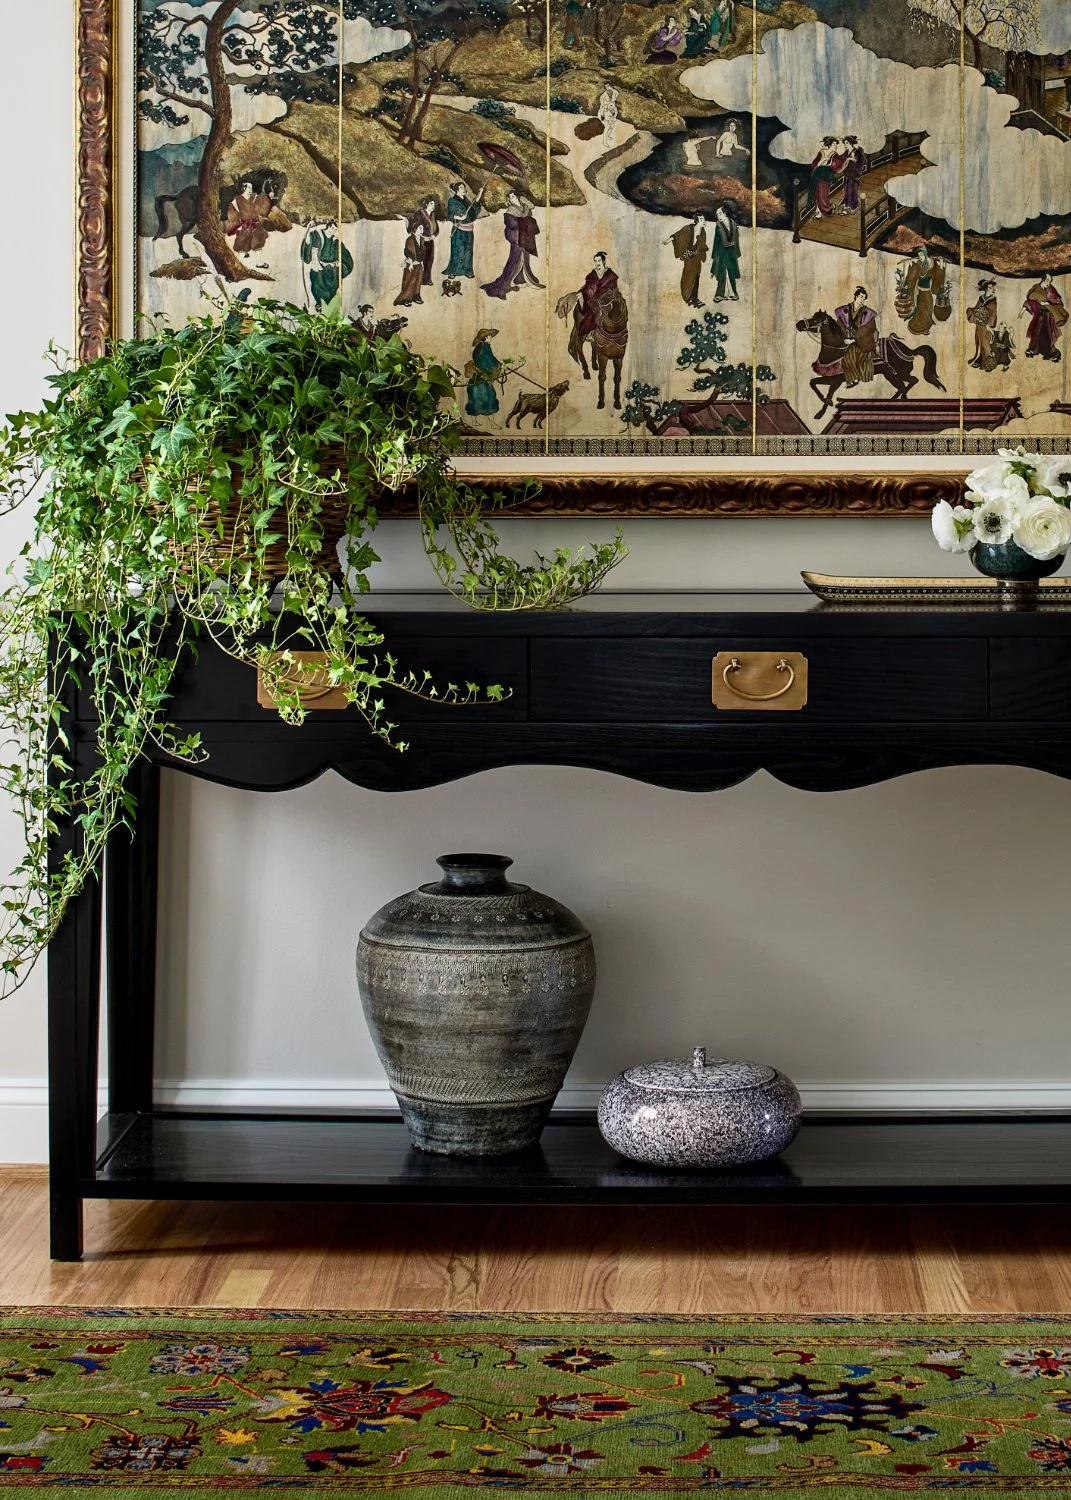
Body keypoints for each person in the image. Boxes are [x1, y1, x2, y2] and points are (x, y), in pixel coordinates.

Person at [481, 191, 543, 299]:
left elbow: (531, 209)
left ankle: (521, 278)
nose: (512, 199)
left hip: (525, 238)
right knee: (514, 260)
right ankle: (502, 286)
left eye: (513, 196)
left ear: (518, 197)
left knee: (525, 257)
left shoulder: (525, 207)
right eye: (510, 197)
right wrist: (525, 221)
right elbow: (512, 224)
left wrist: (524, 220)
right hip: (516, 238)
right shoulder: (511, 210)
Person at [300, 221, 353, 309]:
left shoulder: (336, 241)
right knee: (318, 286)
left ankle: (330, 306)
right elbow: (308, 244)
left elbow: (343, 253)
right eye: (332, 228)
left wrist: (341, 262)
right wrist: (308, 234)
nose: (333, 230)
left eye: (335, 229)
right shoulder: (317, 236)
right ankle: (320, 305)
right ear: (328, 227)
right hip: (319, 268)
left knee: (333, 288)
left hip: (333, 270)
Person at [896, 244, 946, 334]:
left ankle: (926, 327)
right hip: (919, 292)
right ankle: (920, 325)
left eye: (922, 254)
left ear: (925, 254)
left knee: (927, 309)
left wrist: (941, 264)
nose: (920, 257)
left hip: (926, 293)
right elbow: (914, 270)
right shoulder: (919, 263)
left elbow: (938, 275)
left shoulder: (932, 264)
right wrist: (910, 263)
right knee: (919, 309)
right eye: (919, 255)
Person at [835, 286, 878, 386]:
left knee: (850, 358)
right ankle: (853, 378)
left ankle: (854, 379)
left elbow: (870, 328)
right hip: (847, 340)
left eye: (864, 298)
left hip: (861, 342)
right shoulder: (844, 310)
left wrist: (855, 339)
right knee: (843, 358)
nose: (862, 299)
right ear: (856, 296)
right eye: (861, 296)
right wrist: (844, 338)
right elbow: (839, 325)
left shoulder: (868, 313)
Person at [443, 181, 484, 280]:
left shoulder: (466, 200)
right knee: (457, 250)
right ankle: (453, 271)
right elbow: (450, 215)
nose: (464, 189)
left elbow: (475, 207)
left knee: (468, 251)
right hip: (458, 230)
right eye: (461, 188)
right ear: (456, 190)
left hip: (469, 229)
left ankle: (468, 271)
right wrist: (459, 217)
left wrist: (480, 193)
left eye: (464, 188)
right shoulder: (452, 201)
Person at [666, 211, 708, 306]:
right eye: (701, 219)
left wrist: (700, 248)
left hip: (697, 258)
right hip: (688, 257)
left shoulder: (703, 232)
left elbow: (702, 245)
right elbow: (679, 235)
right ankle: (688, 298)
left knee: (696, 277)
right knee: (688, 276)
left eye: (703, 219)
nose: (703, 221)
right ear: (697, 220)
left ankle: (695, 299)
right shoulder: (689, 228)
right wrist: (671, 239)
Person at [1024, 272, 1067, 362]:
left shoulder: (1051, 289)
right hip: (1039, 314)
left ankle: (1053, 353)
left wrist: (1048, 302)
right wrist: (1040, 300)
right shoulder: (1036, 287)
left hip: (1048, 315)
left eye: (1050, 281)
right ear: (1043, 280)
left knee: (1047, 333)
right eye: (1047, 280)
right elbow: (1030, 296)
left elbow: (1058, 300)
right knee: (1036, 332)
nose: (1049, 283)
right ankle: (1033, 350)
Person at [465, 328, 504, 416]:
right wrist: (499, 365)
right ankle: (489, 416)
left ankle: (476, 415)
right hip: (482, 378)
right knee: (488, 397)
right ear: (486, 337)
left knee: (476, 398)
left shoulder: (478, 347)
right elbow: (488, 361)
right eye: (490, 336)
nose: (491, 338)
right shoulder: (485, 347)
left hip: (476, 378)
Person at [580, 251, 619, 333]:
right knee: (593, 312)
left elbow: (614, 289)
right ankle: (590, 333)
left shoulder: (611, 276)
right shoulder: (591, 276)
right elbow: (587, 289)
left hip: (607, 300)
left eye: (599, 261)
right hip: (594, 300)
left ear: (604, 261)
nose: (597, 263)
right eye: (595, 261)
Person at [394, 217, 427, 306]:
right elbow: (409, 252)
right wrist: (411, 264)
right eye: (420, 228)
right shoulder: (410, 239)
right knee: (409, 281)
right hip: (411, 264)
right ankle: (406, 298)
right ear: (415, 229)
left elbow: (422, 252)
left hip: (419, 264)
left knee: (418, 281)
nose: (422, 230)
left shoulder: (422, 239)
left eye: (422, 228)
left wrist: (422, 263)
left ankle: (416, 296)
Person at [967, 278, 999, 370]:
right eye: (990, 287)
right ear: (986, 289)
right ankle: (980, 359)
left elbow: (993, 313)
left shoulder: (993, 300)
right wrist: (971, 311)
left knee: (986, 343)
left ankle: (988, 362)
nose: (993, 289)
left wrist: (989, 325)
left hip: (986, 325)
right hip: (979, 324)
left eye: (992, 287)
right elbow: (976, 308)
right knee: (980, 342)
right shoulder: (982, 298)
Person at [712, 199, 740, 301]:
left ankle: (734, 293)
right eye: (717, 214)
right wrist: (715, 255)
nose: (718, 216)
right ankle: (720, 294)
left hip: (731, 252)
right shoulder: (718, 225)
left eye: (720, 213)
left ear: (724, 213)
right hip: (722, 252)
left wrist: (736, 250)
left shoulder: (733, 223)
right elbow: (716, 241)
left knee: (731, 272)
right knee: (722, 272)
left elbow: (736, 237)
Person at [810, 138, 838, 218]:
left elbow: (835, 165)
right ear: (829, 145)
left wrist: (830, 165)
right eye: (834, 144)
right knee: (818, 193)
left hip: (826, 174)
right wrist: (822, 161)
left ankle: (826, 208)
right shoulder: (822, 152)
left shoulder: (834, 154)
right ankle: (818, 210)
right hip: (818, 174)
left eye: (836, 144)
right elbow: (815, 164)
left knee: (824, 193)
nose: (835, 146)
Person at [415, 195, 439, 285]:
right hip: (421, 242)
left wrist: (434, 235)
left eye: (434, 204)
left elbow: (437, 229)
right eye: (431, 204)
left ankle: (427, 280)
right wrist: (422, 237)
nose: (433, 206)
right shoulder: (420, 214)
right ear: (426, 204)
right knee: (421, 260)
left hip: (430, 241)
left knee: (429, 261)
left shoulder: (432, 215)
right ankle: (419, 280)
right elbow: (416, 228)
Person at [840, 136, 865, 214]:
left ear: (851, 143)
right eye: (844, 143)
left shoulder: (857, 151)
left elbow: (863, 161)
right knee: (846, 189)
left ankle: (851, 206)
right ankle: (847, 203)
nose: (845, 145)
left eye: (847, 143)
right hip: (847, 173)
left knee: (852, 190)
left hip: (854, 174)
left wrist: (854, 159)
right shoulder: (846, 152)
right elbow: (842, 158)